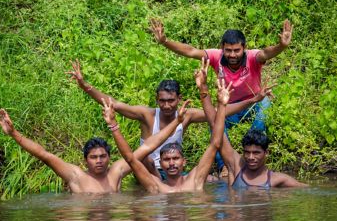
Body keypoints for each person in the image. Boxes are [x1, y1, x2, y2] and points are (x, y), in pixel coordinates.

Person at [66, 60, 268, 179]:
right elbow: (113, 103)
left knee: (211, 181)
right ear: (157, 100)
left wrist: (253, 100)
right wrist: (85, 85)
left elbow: (218, 112)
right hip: (149, 170)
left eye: (171, 101)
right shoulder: (147, 115)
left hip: (174, 168)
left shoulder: (186, 115)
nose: (167, 105)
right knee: (145, 158)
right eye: (162, 101)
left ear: (178, 99)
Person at [150, 18, 291, 172]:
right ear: (222, 48)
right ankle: (223, 166)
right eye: (228, 50)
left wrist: (281, 46)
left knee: (264, 105)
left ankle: (252, 152)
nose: (232, 55)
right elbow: (190, 51)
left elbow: (266, 53)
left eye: (237, 50)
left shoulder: (252, 57)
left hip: (253, 103)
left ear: (244, 48)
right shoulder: (216, 56)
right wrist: (165, 41)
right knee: (215, 123)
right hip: (229, 107)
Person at [0, 108, 185, 194]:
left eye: (103, 156)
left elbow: (149, 146)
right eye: (93, 157)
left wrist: (177, 122)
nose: (99, 160)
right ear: (86, 160)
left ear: (109, 158)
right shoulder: (76, 176)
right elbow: (44, 155)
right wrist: (14, 134)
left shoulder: (117, 172)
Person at [100, 75, 231, 193]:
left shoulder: (195, 181)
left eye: (175, 159)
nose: (172, 163)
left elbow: (215, 143)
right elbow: (130, 158)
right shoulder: (156, 186)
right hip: (152, 172)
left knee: (213, 179)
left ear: (184, 162)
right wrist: (113, 125)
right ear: (161, 164)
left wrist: (221, 104)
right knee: (143, 157)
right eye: (167, 160)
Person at [195, 60, 307, 188]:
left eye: (256, 153)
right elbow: (213, 123)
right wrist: (203, 89)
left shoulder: (277, 179)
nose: (250, 157)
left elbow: (309, 191)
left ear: (267, 153)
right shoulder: (235, 167)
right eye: (247, 152)